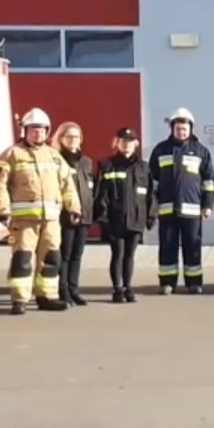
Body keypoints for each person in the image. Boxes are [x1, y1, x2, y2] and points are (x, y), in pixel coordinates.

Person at [0, 107, 82, 315]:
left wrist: (74, 208)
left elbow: (67, 185)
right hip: (24, 221)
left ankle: (47, 296)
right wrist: (3, 211)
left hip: (51, 220)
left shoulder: (54, 156)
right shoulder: (11, 154)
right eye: (33, 130)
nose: (37, 134)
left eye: (41, 130)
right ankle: (19, 299)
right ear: (25, 131)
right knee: (22, 258)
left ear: (47, 132)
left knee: (51, 258)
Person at [149, 108, 214, 295]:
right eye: (178, 128)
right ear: (172, 128)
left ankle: (194, 283)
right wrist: (152, 206)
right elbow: (152, 181)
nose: (181, 132)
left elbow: (209, 181)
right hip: (167, 209)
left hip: (192, 210)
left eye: (185, 129)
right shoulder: (160, 150)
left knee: (192, 246)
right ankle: (167, 283)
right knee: (167, 246)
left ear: (191, 129)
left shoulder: (201, 151)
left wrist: (207, 205)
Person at [92, 127, 156, 303]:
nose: (126, 145)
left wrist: (150, 216)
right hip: (115, 220)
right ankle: (117, 289)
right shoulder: (107, 165)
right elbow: (101, 194)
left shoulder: (143, 167)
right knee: (118, 253)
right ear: (117, 143)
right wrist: (103, 217)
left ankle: (128, 288)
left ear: (136, 144)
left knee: (130, 255)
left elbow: (151, 193)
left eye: (130, 142)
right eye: (123, 141)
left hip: (136, 219)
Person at [53, 122, 96, 307]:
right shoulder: (56, 160)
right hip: (66, 216)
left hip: (84, 216)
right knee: (65, 255)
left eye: (76, 137)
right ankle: (63, 291)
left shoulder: (86, 162)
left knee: (77, 255)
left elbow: (90, 187)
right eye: (69, 136)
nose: (73, 140)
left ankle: (74, 290)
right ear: (61, 139)